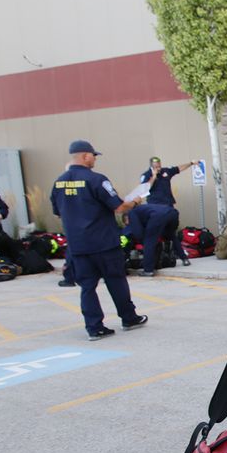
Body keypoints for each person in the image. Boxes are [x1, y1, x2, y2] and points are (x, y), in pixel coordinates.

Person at [51, 140, 150, 340]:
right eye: (93, 155)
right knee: (116, 281)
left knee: (87, 287)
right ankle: (128, 318)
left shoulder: (59, 182)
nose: (95, 159)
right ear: (85, 156)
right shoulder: (96, 180)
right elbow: (119, 207)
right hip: (103, 243)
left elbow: (58, 212)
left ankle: (94, 327)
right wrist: (136, 201)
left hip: (78, 245)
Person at [138, 156, 201, 266]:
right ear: (151, 166)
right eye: (155, 165)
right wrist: (153, 176)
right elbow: (145, 188)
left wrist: (191, 163)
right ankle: (154, 261)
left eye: (159, 164)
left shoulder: (166, 171)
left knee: (171, 234)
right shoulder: (146, 175)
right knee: (156, 235)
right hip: (155, 210)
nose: (158, 167)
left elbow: (178, 169)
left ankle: (182, 258)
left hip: (168, 208)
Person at [126, 202, 178, 277]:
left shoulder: (132, 212)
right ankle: (184, 258)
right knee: (171, 236)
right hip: (173, 213)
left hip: (157, 217)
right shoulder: (145, 208)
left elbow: (138, 232)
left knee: (149, 243)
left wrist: (143, 242)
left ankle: (148, 270)